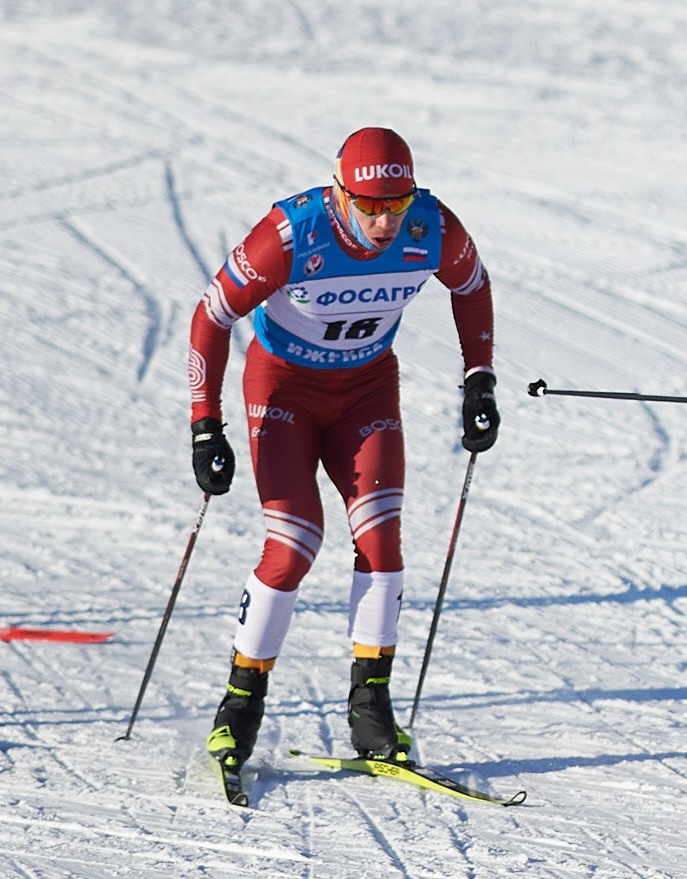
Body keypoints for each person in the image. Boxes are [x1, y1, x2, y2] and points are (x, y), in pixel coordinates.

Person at [186, 127, 497, 792]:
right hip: (284, 390)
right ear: (339, 192)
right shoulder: (292, 235)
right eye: (369, 205)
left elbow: (472, 284)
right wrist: (205, 424)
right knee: (295, 539)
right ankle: (239, 707)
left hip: (364, 390)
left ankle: (371, 711)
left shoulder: (432, 225)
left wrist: (480, 378)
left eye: (396, 204)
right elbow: (211, 315)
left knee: (381, 538)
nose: (386, 221)